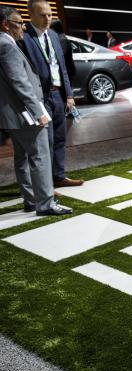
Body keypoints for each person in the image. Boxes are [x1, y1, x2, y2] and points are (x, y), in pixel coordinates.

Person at [0, 6, 72, 216]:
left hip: (13, 115)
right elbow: (19, 82)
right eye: (18, 23)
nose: (22, 27)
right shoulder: (7, 45)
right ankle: (46, 203)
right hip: (26, 113)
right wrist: (37, 111)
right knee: (40, 156)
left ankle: (31, 199)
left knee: (21, 158)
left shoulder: (5, 43)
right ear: (6, 24)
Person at [21, 0, 83, 187]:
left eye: (49, 14)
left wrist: (69, 95)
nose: (47, 18)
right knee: (44, 142)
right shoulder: (23, 38)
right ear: (30, 14)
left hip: (58, 95)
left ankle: (58, 176)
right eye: (42, 15)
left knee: (59, 138)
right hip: (39, 97)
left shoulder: (54, 36)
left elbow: (61, 67)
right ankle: (45, 184)